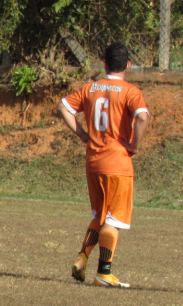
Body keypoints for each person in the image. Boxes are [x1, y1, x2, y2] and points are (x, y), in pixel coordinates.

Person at [58, 42, 150, 288]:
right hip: (118, 163)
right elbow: (142, 117)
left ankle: (82, 257)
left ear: (104, 64)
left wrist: (84, 136)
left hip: (94, 162)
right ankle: (104, 273)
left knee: (99, 215)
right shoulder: (131, 91)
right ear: (128, 65)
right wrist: (134, 144)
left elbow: (63, 107)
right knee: (114, 219)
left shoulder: (91, 88)